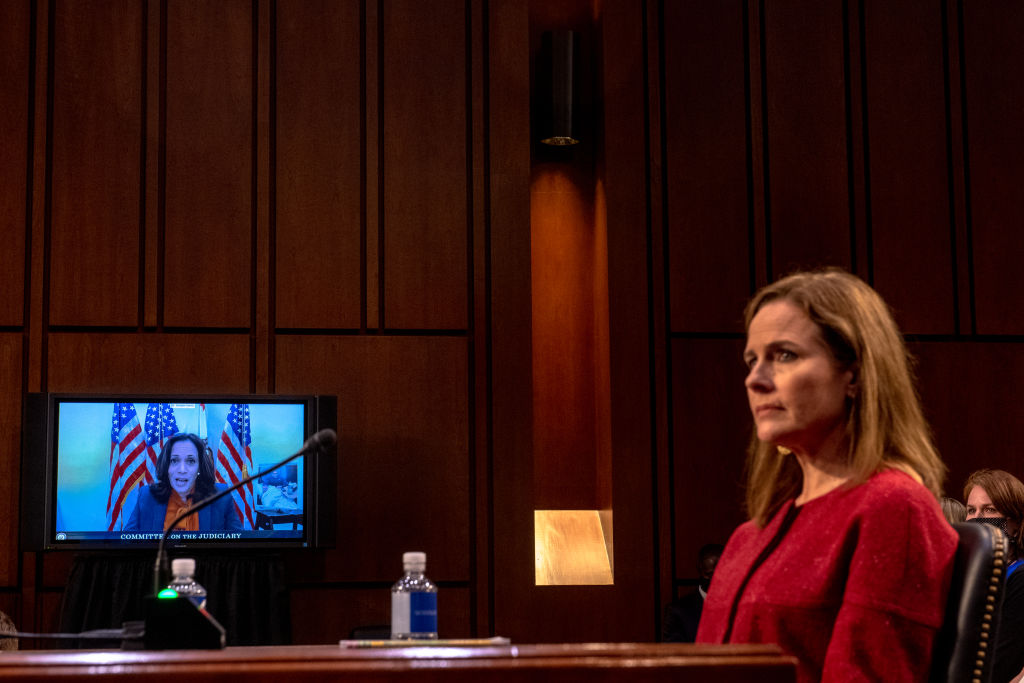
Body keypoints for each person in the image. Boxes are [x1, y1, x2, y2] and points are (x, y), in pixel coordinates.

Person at [696, 268, 957, 682]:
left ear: (854, 374)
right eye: (751, 360)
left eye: (784, 355)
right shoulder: (749, 535)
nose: (755, 380)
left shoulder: (893, 509)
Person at [963, 468, 1024, 683]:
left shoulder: (1020, 578)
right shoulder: (972, 577)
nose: (977, 519)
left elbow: (999, 667)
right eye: (971, 510)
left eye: (989, 510)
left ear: (1015, 524)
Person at [124, 433, 241, 532]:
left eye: (190, 461)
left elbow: (239, 542)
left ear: (199, 467)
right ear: (166, 466)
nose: (182, 470)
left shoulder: (221, 496)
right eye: (174, 460)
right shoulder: (147, 495)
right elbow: (128, 542)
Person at [663, 543, 723, 642]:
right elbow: (674, 650)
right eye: (709, 574)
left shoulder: (740, 607)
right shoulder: (677, 611)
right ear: (700, 570)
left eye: (721, 572)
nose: (715, 578)